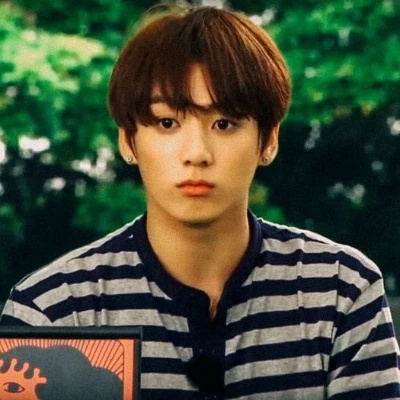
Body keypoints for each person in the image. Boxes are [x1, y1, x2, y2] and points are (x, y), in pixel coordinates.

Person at [1, 4, 399, 399]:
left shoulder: (341, 291)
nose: (197, 153)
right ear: (127, 140)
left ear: (269, 140)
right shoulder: (54, 310)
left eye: (224, 124)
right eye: (167, 123)